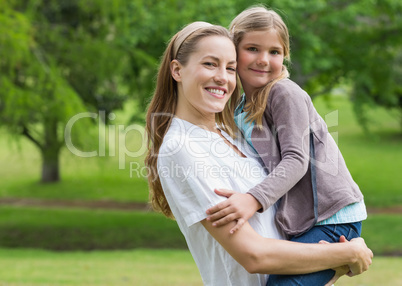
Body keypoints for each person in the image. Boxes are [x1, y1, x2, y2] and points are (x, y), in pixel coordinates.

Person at [145, 21, 372, 286]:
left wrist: (330, 263)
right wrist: (346, 253)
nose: (222, 77)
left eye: (230, 68)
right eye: (209, 64)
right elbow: (253, 255)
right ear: (177, 70)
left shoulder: (234, 134)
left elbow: (280, 220)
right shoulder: (182, 146)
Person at [205, 6, 369, 285]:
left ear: (285, 57)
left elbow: (296, 160)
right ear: (233, 52)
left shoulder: (283, 93)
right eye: (253, 48)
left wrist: (252, 199)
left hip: (331, 217)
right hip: (304, 220)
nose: (263, 60)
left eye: (274, 52)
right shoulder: (240, 107)